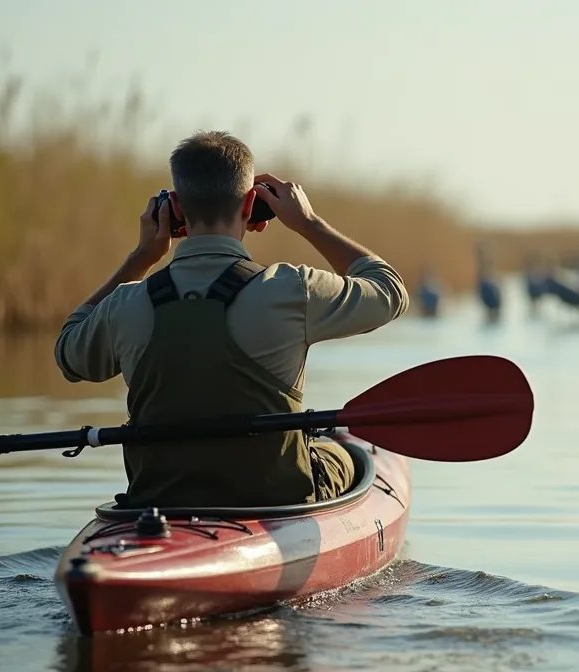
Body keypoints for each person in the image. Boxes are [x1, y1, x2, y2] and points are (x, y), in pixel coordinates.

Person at [53, 130, 409, 508]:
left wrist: (141, 258)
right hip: (275, 500)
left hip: (158, 501)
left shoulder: (125, 303)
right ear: (251, 203)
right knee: (351, 454)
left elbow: (68, 354)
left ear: (174, 207)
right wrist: (308, 222)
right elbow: (390, 291)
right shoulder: (291, 289)